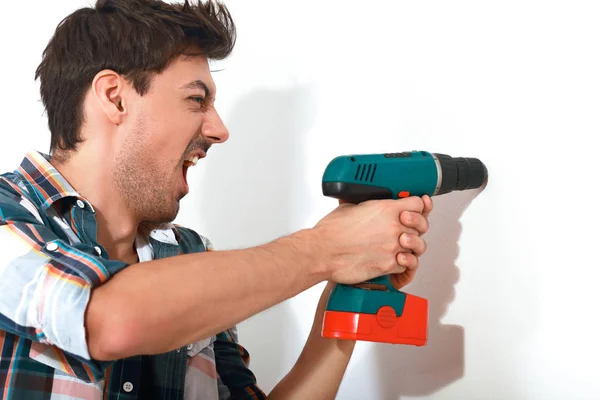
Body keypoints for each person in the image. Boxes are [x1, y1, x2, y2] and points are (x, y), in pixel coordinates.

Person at [0, 0, 433, 398]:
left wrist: (346, 291)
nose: (219, 129)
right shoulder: (9, 215)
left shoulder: (191, 255)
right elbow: (110, 320)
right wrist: (327, 248)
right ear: (115, 97)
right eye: (196, 99)